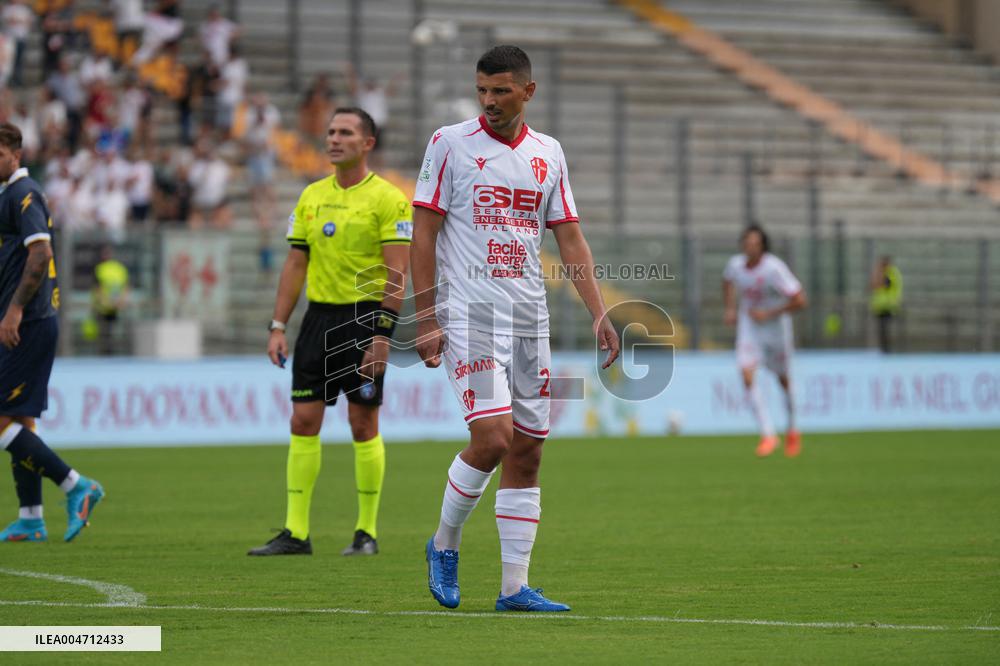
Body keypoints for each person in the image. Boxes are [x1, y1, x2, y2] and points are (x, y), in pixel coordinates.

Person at [411, 46, 619, 612]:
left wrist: (599, 311)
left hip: (529, 317)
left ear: (528, 91)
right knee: (494, 438)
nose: (489, 101)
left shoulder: (548, 154)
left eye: (500, 91)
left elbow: (569, 237)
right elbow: (423, 233)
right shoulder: (449, 143)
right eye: (482, 90)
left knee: (528, 448)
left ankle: (513, 588)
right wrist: (425, 317)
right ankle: (443, 543)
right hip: (469, 313)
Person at [248, 107, 413, 557]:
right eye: (330, 132)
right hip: (317, 321)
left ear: (367, 143)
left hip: (363, 321)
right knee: (302, 421)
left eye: (345, 133)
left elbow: (398, 271)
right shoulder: (311, 196)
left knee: (363, 422)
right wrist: (278, 325)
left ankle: (366, 533)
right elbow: (295, 263)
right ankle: (296, 533)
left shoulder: (388, 199)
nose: (334, 139)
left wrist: (382, 335)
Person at [0, 122, 104, 543]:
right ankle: (30, 517)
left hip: (30, 321)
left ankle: (76, 485)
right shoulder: (9, 196)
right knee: (21, 420)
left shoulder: (24, 195)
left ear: (15, 153)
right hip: (28, 321)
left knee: (3, 421)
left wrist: (15, 310)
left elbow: (40, 253)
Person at [722, 224, 807, 457]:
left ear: (763, 246)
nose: (750, 247)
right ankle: (768, 434)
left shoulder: (774, 269)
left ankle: (792, 428)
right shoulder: (736, 265)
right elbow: (727, 281)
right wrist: (730, 308)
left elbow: (800, 300)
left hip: (775, 328)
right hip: (750, 326)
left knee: (783, 380)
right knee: (746, 374)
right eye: (746, 242)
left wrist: (769, 314)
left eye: (755, 243)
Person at [91, 244, 130, 355]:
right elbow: (98, 288)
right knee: (104, 336)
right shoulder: (100, 269)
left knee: (112, 336)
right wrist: (107, 303)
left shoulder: (117, 268)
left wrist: (121, 301)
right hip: (103, 308)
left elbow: (125, 286)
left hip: (115, 307)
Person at [869, 255, 902, 353]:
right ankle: (884, 349)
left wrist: (878, 274)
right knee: (882, 329)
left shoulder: (891, 274)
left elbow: (879, 284)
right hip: (880, 305)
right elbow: (872, 286)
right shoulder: (885, 273)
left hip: (889, 305)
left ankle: (887, 349)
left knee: (885, 328)